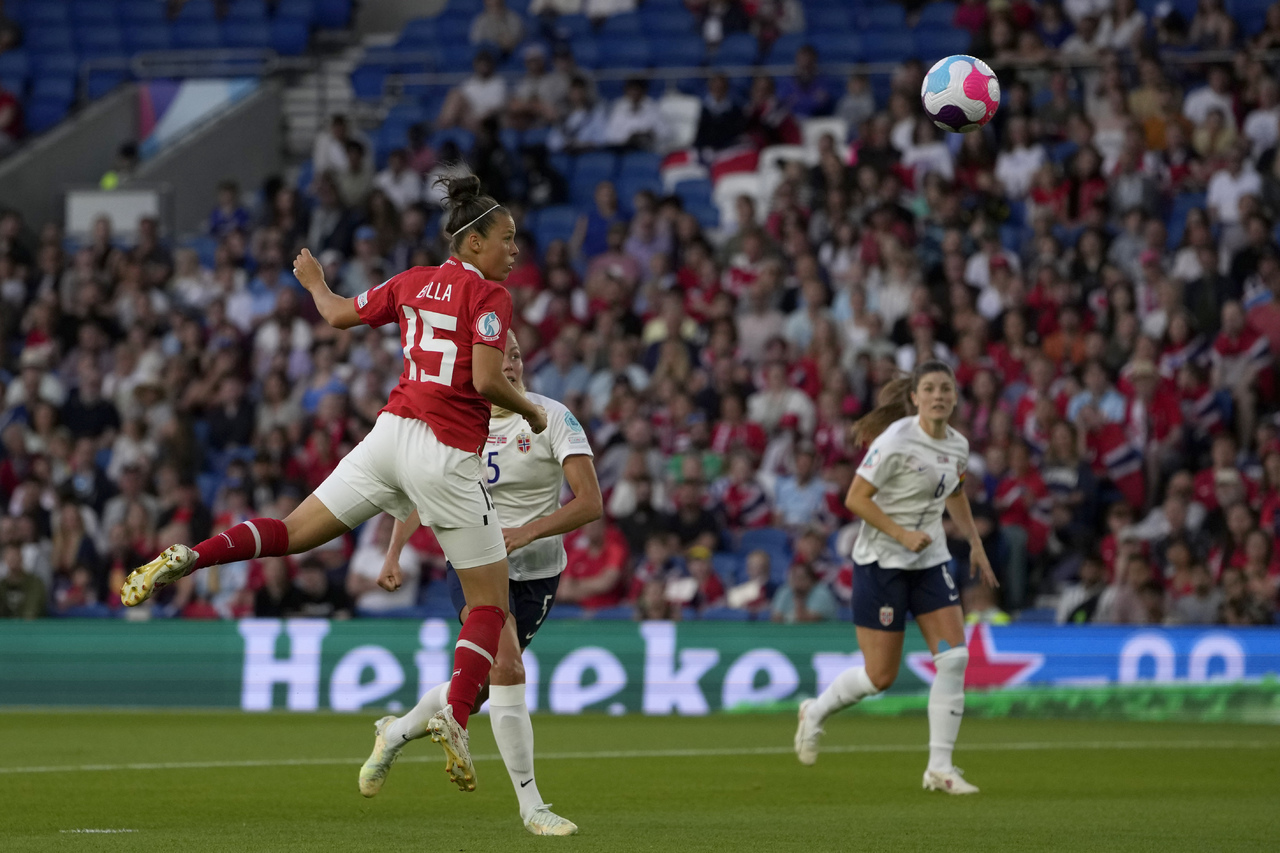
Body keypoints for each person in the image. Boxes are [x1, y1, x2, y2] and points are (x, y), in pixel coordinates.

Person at [119, 169, 548, 795]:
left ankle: (193, 555)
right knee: (488, 605)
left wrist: (315, 281)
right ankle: (455, 716)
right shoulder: (490, 296)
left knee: (292, 532)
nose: (515, 249)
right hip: (446, 449)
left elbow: (338, 314)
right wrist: (531, 411)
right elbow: (485, 379)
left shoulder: (411, 281)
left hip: (389, 435)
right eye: (507, 238)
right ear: (474, 242)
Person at [361, 328, 600, 836]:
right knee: (507, 665)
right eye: (499, 357)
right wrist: (394, 551)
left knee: (481, 689)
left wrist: (527, 532)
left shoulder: (552, 417)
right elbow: (423, 494)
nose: (510, 364)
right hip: (473, 562)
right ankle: (532, 806)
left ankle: (395, 733)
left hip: (539, 572)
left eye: (515, 355)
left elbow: (590, 502)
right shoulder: (455, 423)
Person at [792, 360, 999, 795]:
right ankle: (815, 711)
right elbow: (855, 498)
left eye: (946, 388)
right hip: (882, 564)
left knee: (954, 659)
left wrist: (975, 542)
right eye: (930, 389)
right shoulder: (895, 441)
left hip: (929, 562)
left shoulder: (958, 446)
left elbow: (955, 492)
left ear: (955, 397)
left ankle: (940, 767)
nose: (939, 396)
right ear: (915, 398)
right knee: (878, 677)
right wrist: (901, 534)